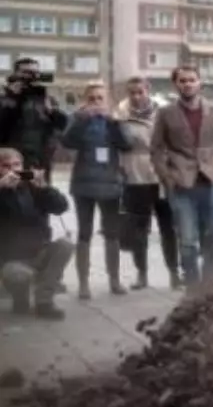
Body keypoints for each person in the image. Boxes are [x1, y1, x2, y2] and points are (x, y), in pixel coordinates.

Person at [150, 66, 213, 287]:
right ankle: (194, 286)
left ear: (199, 83)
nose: (187, 84)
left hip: (212, 181)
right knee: (187, 241)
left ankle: (208, 279)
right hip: (182, 183)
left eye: (192, 80)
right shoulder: (165, 113)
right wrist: (167, 177)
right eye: (182, 80)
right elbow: (156, 148)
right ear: (176, 84)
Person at [61, 81, 133, 299]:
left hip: (110, 184)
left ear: (107, 100)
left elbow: (127, 144)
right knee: (84, 233)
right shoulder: (78, 119)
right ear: (85, 101)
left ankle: (114, 280)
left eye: (100, 98)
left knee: (111, 233)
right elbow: (67, 142)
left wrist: (116, 124)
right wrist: (81, 121)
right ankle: (83, 283)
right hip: (83, 184)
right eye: (91, 98)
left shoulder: (115, 120)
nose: (96, 103)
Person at [116, 76, 182, 290]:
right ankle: (141, 274)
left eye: (140, 92)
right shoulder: (120, 115)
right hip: (135, 177)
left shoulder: (165, 111)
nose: (136, 97)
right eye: (132, 93)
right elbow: (116, 145)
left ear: (148, 90)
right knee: (138, 230)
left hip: (162, 176)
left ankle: (174, 272)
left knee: (169, 228)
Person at [0, 147, 72, 319]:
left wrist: (45, 188)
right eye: (6, 166)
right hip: (10, 257)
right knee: (17, 274)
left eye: (17, 165)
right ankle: (20, 297)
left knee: (65, 245)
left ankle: (44, 302)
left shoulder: (32, 187)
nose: (13, 170)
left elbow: (61, 207)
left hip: (39, 249)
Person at [0, 57, 68, 185]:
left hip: (40, 161)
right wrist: (14, 98)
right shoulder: (5, 100)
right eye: (27, 73)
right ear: (16, 74)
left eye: (35, 73)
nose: (32, 76)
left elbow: (62, 125)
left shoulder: (45, 99)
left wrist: (52, 112)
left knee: (41, 198)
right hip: (11, 163)